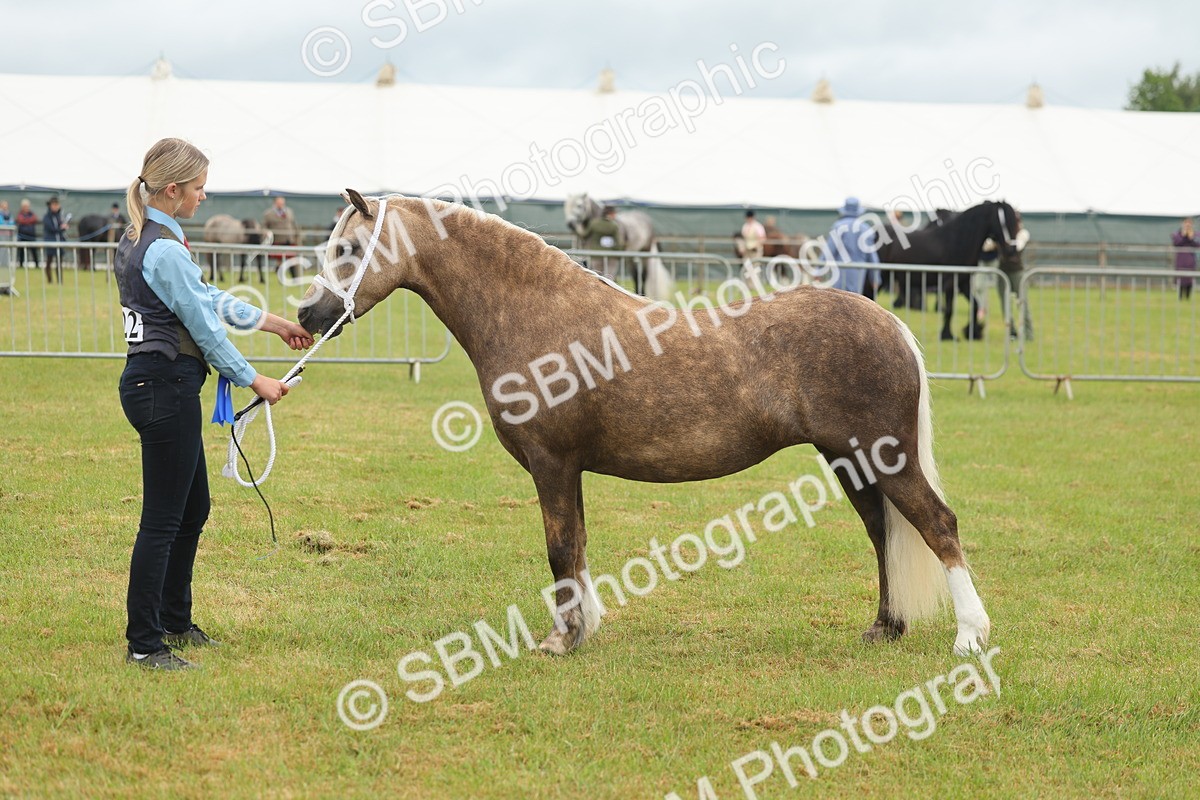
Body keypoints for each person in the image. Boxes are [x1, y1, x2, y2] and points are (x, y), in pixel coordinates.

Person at [117, 138, 313, 670]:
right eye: (200, 188)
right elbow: (205, 328)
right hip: (164, 387)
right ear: (174, 190)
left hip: (159, 386)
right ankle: (145, 642)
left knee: (191, 508)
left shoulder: (147, 239)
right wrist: (256, 381)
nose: (205, 197)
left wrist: (275, 325)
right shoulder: (162, 248)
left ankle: (175, 622)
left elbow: (208, 299)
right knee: (162, 520)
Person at [825, 197, 881, 297]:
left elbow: (829, 250)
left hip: (840, 270)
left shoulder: (837, 226)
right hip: (859, 272)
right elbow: (873, 257)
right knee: (854, 302)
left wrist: (818, 268)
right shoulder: (865, 228)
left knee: (837, 300)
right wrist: (875, 278)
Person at [579, 205, 625, 279]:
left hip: (596, 255)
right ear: (611, 213)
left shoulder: (594, 223)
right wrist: (620, 252)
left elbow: (584, 235)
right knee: (609, 279)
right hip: (611, 256)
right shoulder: (614, 225)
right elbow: (618, 243)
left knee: (597, 278)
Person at [263, 195, 299, 279]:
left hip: (290, 240)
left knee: (291, 259)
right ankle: (280, 276)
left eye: (282, 202)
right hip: (278, 240)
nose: (281, 204)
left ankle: (295, 278)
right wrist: (267, 233)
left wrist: (296, 236)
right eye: (279, 203)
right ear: (275, 203)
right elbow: (264, 227)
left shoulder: (289, 211)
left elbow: (294, 224)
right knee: (280, 260)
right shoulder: (268, 214)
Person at [43, 196, 68, 283]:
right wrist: (61, 228)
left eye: (57, 204)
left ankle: (60, 281)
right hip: (50, 241)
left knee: (59, 263)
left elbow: (60, 227)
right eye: (54, 205)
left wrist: (64, 227)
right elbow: (52, 229)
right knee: (49, 262)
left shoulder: (60, 216)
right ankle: (49, 280)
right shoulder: (47, 217)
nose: (56, 206)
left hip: (59, 242)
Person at [1172, 218, 1197, 301]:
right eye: (1186, 223)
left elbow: (1197, 244)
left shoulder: (1196, 235)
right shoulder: (1177, 234)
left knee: (1189, 279)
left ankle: (1188, 297)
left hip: (1190, 260)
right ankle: (1180, 297)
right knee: (1180, 278)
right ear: (1182, 223)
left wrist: (1191, 237)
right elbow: (1176, 243)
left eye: (1189, 223)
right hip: (1180, 260)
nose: (1187, 225)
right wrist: (1183, 235)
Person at [16, 199, 40, 269]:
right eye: (24, 206)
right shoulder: (20, 213)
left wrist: (25, 221)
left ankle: (37, 265)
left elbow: (35, 219)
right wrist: (29, 221)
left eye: (27, 206)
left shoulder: (31, 213)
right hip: (22, 236)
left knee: (34, 251)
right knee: (21, 252)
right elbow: (20, 220)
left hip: (31, 236)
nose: (26, 208)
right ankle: (21, 264)